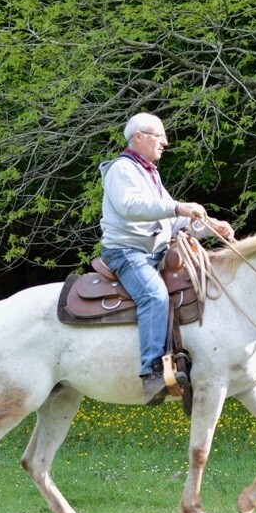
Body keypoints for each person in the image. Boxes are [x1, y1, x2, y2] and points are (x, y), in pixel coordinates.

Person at [99, 113, 235, 402]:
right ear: (138, 137)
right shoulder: (121, 169)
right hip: (127, 252)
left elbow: (171, 222)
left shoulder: (149, 173)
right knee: (154, 296)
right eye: (159, 135)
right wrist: (177, 206)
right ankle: (152, 373)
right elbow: (132, 206)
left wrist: (211, 227)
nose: (165, 142)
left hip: (154, 252)